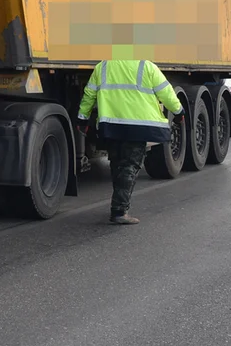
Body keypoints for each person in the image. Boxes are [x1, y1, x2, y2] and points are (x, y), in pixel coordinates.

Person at [77, 59, 184, 225]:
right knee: (130, 165)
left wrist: (82, 119)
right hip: (137, 126)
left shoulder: (103, 66)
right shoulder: (146, 66)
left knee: (117, 163)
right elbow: (166, 93)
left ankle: (118, 205)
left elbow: (89, 95)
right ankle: (119, 210)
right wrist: (178, 111)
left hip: (111, 125)